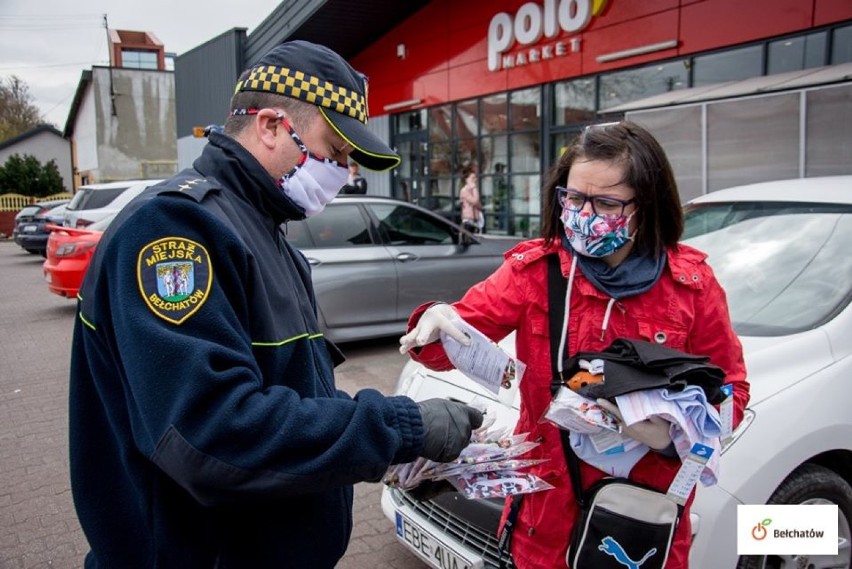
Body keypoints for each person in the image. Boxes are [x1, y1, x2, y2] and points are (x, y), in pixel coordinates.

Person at [68, 40, 483, 569]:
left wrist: (386, 443)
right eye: (333, 152)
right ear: (269, 125)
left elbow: (291, 388)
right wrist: (398, 428)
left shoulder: (266, 234)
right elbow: (212, 433)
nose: (343, 172)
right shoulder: (178, 230)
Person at [399, 121, 750, 569]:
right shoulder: (536, 271)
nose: (584, 214)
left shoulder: (692, 287)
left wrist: (670, 432)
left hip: (637, 524)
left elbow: (732, 394)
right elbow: (456, 335)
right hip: (543, 522)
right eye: (574, 198)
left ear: (647, 204)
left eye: (605, 202)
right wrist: (436, 323)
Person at [459, 167, 483, 233]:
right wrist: (473, 187)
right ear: (467, 179)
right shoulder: (464, 190)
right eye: (473, 178)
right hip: (468, 219)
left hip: (475, 219)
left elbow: (479, 205)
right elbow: (475, 201)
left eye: (475, 178)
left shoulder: (473, 190)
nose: (475, 180)